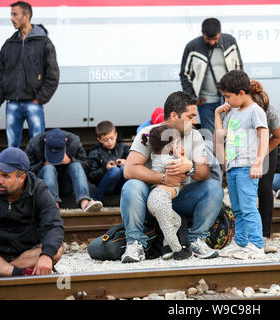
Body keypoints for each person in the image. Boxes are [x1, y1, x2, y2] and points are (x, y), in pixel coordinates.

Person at [120, 91, 223, 263]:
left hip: (178, 197)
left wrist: (190, 166)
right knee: (131, 186)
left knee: (213, 188)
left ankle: (197, 240)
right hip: (150, 200)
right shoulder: (149, 133)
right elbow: (129, 170)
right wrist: (162, 179)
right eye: (190, 116)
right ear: (174, 115)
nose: (195, 121)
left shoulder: (195, 135)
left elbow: (204, 173)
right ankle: (135, 243)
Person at [214, 70, 269, 259]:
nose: (226, 101)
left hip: (247, 167)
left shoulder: (255, 111)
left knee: (248, 207)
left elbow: (264, 137)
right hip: (233, 167)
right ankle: (241, 243)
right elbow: (221, 136)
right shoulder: (233, 112)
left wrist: (258, 162)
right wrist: (217, 114)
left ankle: (256, 245)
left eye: (228, 97)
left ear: (241, 93)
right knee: (237, 208)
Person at [0, 1, 60, 148]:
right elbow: (1, 75)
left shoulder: (44, 43)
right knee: (12, 147)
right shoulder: (8, 44)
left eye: (15, 14)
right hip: (12, 104)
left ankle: (36, 172)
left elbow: (53, 75)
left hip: (33, 103)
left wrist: (39, 99)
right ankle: (14, 172)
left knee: (38, 146)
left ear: (26, 16)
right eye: (11, 14)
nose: (12, 18)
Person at [0, 147, 64, 276]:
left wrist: (46, 255)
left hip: (26, 254)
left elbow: (53, 225)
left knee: (56, 250)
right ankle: (18, 273)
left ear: (22, 177)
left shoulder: (39, 190)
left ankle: (0, 271)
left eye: (6, 176)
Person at [180, 17, 243, 134]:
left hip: (229, 99)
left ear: (220, 33)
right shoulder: (192, 47)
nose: (212, 42)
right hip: (206, 101)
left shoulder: (230, 41)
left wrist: (238, 93)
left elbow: (239, 68)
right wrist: (193, 98)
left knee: (231, 132)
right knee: (210, 134)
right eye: (208, 39)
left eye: (215, 39)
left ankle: (227, 153)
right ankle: (212, 153)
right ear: (202, 33)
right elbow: (185, 75)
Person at [142, 125, 192, 260]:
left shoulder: (156, 156)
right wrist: (181, 156)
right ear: (167, 146)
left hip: (156, 200)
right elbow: (184, 171)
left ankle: (166, 249)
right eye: (175, 142)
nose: (178, 145)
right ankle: (178, 250)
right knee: (168, 228)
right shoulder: (168, 160)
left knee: (176, 220)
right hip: (160, 200)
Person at [25, 128, 103, 212]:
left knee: (76, 165)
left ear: (66, 141)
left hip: (66, 183)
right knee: (48, 168)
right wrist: (42, 164)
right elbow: (26, 171)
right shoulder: (35, 143)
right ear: (45, 140)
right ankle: (52, 204)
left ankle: (85, 202)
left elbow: (87, 165)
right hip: (44, 184)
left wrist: (70, 160)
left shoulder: (74, 141)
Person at [249, 80, 280, 253]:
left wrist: (260, 155)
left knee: (264, 188)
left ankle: (264, 235)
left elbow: (278, 136)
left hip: (267, 145)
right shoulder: (236, 107)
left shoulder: (270, 110)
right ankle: (247, 234)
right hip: (244, 146)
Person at [88, 121, 130, 203]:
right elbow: (91, 176)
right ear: (100, 140)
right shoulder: (95, 152)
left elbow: (136, 165)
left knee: (123, 168)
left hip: (121, 185)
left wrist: (126, 162)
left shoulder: (124, 147)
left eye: (111, 138)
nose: (110, 142)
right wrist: (105, 169)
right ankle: (95, 199)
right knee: (115, 171)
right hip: (106, 185)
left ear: (116, 135)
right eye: (105, 140)